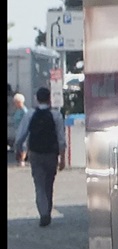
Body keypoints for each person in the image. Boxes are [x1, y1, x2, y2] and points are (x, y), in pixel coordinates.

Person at [13, 87, 67, 227]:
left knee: (39, 185)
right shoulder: (56, 116)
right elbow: (61, 138)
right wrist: (62, 158)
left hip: (35, 154)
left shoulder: (30, 114)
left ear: (37, 98)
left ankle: (43, 212)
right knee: (49, 184)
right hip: (51, 154)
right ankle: (47, 210)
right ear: (50, 99)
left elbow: (21, 135)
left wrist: (18, 150)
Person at [11, 92, 29, 164]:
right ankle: (19, 159)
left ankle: (22, 160)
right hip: (17, 130)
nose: (14, 104)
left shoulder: (24, 111)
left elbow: (26, 121)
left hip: (23, 131)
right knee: (18, 145)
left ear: (19, 102)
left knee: (23, 145)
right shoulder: (18, 110)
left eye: (15, 102)